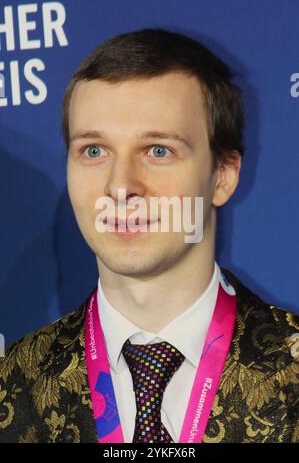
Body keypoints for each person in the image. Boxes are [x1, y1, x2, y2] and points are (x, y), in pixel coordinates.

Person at [0, 28, 298, 444]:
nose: (120, 187)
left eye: (158, 150)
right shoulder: (11, 385)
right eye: (94, 151)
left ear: (223, 176)